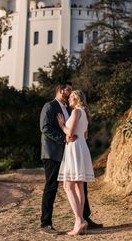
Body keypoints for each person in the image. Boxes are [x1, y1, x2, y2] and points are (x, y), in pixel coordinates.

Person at [40, 82, 102, 235]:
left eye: (72, 92)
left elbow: (76, 128)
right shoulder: (49, 106)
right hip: (53, 151)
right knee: (52, 186)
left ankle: (84, 218)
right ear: (61, 90)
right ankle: (46, 223)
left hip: (70, 151)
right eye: (68, 90)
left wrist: (71, 133)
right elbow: (45, 128)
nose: (70, 93)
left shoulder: (71, 109)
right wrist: (63, 138)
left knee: (80, 184)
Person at [57, 90, 95, 235]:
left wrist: (61, 125)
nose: (70, 98)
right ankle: (81, 220)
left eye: (74, 96)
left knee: (68, 185)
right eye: (70, 96)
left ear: (79, 99)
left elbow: (70, 132)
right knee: (79, 185)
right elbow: (85, 135)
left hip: (74, 148)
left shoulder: (76, 112)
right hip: (81, 146)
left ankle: (79, 221)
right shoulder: (84, 113)